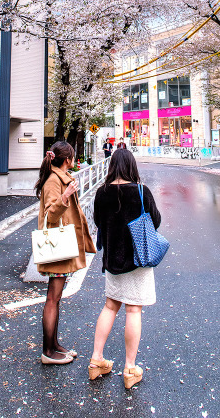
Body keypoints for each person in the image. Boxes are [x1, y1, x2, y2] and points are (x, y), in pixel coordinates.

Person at [90, 149, 161, 389]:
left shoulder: (102, 192)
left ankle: (96, 360)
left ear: (112, 166)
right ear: (132, 166)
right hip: (137, 260)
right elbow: (156, 220)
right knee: (133, 310)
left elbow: (98, 221)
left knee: (110, 306)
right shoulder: (141, 192)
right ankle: (130, 368)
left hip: (112, 260)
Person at [35, 141, 97, 365]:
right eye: (73, 157)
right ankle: (48, 351)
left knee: (56, 298)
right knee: (53, 298)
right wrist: (65, 196)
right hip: (57, 247)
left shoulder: (60, 178)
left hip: (62, 246)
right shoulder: (54, 181)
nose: (74, 160)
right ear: (67, 159)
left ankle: (54, 345)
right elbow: (51, 214)